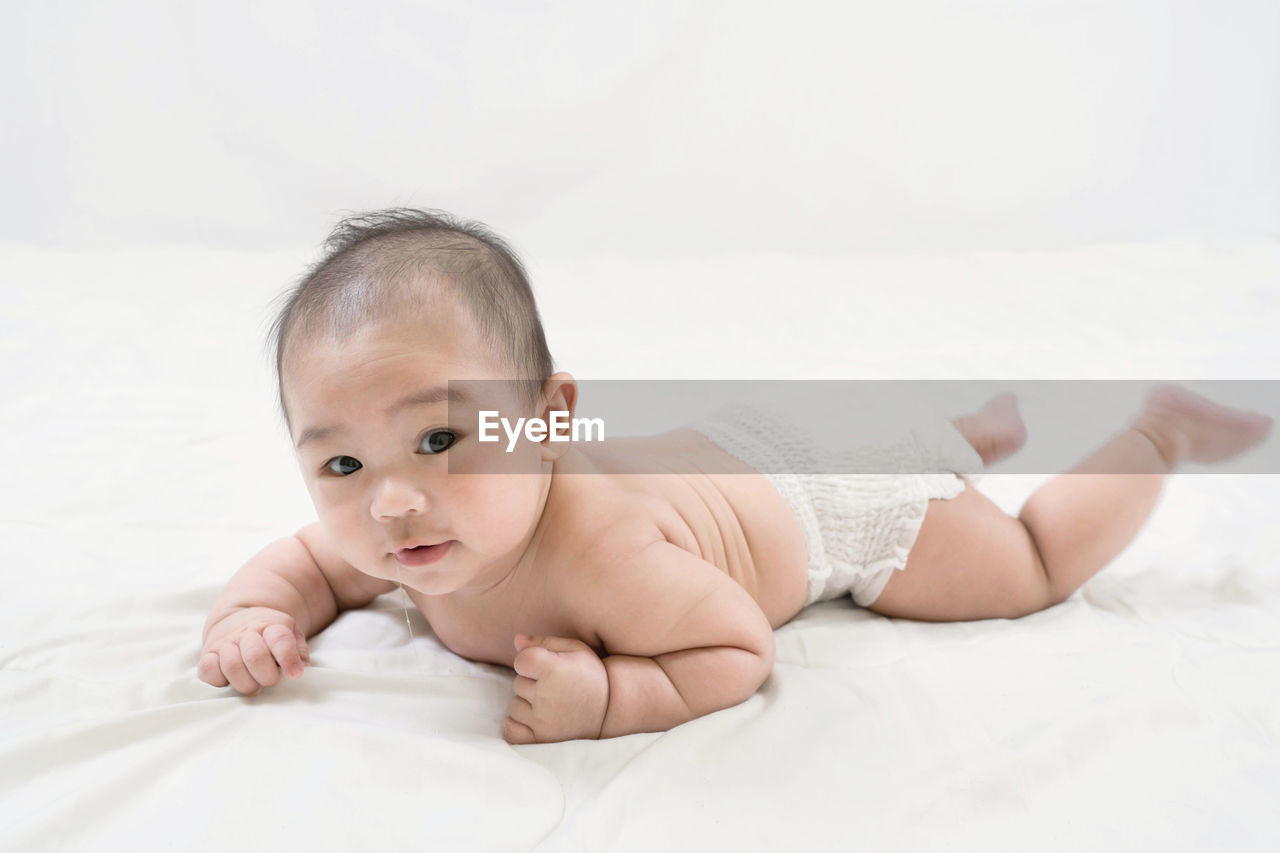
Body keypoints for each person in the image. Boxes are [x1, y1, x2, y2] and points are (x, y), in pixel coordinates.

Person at [198, 208, 1274, 744]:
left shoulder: (605, 558)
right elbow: (305, 565)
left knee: (1028, 565)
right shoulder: (396, 536)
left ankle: (1152, 433)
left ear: (547, 422)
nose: (388, 502)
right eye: (340, 462)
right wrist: (252, 612)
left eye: (440, 439)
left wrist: (616, 694)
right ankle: (959, 430)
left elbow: (733, 646)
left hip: (838, 497)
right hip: (759, 435)